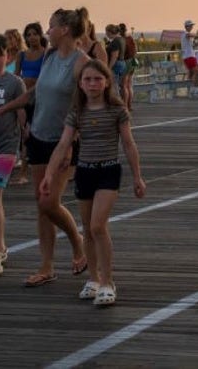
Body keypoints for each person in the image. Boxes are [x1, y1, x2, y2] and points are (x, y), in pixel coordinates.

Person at [40, 60, 145, 306]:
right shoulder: (77, 112)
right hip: (85, 172)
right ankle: (94, 278)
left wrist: (138, 176)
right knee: (87, 228)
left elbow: (129, 144)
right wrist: (49, 175)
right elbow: (63, 144)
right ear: (80, 83)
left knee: (98, 226)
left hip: (108, 170)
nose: (92, 84)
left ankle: (108, 281)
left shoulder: (117, 110)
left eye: (97, 79)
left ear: (107, 81)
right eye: (87, 79)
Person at [24, 7, 90, 287]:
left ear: (64, 30)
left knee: (50, 202)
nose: (47, 31)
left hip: (63, 142)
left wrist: (74, 141)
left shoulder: (81, 62)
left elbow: (87, 103)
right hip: (38, 136)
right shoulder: (50, 56)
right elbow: (35, 92)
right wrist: (5, 108)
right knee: (42, 206)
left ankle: (78, 242)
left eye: (50, 27)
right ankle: (47, 266)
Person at [0, 34, 27, 277]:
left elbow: (22, 114)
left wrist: (27, 138)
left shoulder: (14, 83)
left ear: (7, 56)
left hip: (4, 148)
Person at [12, 22, 47, 186]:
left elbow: (47, 76)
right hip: (23, 98)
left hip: (40, 99)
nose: (32, 37)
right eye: (28, 34)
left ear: (40, 35)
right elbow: (16, 76)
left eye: (34, 34)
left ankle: (35, 169)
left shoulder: (46, 54)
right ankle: (23, 173)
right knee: (24, 133)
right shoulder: (21, 55)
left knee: (35, 133)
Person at [118, 23, 139, 109]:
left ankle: (125, 106)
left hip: (126, 61)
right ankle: (129, 105)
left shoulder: (121, 40)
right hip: (133, 61)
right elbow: (136, 50)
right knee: (129, 85)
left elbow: (121, 53)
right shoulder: (130, 38)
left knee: (123, 85)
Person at [180, 19, 198, 96]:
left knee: (192, 74)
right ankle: (195, 89)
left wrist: (196, 42)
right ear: (187, 26)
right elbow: (189, 35)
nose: (192, 27)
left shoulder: (188, 35)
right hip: (189, 56)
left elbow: (191, 45)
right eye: (191, 25)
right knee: (197, 72)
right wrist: (197, 35)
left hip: (191, 55)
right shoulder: (184, 33)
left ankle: (191, 90)